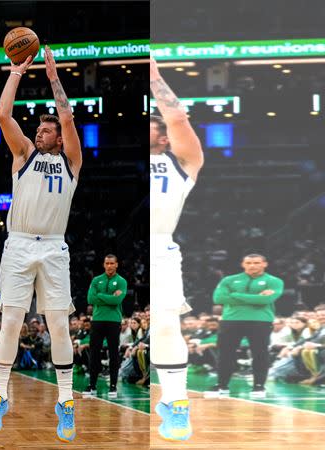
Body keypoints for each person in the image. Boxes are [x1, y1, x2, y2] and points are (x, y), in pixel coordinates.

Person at [0, 45, 82, 442]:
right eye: (38, 129)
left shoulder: (71, 159)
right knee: (10, 321)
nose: (39, 131)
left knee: (59, 325)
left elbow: (67, 116)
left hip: (54, 247)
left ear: (57, 137)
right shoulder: (23, 153)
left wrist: (54, 77)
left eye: (45, 129)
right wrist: (16, 73)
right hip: (19, 245)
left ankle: (66, 401)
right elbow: (2, 115)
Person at [149, 56, 204, 442]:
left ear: (163, 136)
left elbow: (179, 119)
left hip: (162, 247)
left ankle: (176, 403)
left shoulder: (181, 162)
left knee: (168, 324)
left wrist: (153, 76)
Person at [208, 254, 284, 398]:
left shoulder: (274, 281)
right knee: (225, 354)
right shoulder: (228, 280)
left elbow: (267, 299)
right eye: (248, 263)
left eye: (256, 262)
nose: (252, 265)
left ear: (264, 264)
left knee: (260, 354)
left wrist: (236, 295)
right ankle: (221, 385)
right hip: (231, 320)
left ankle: (259, 386)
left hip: (260, 321)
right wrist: (257, 298)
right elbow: (218, 298)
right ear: (243, 264)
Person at [84, 255, 128, 398]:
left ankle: (113, 386)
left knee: (113, 354)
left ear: (117, 265)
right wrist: (109, 297)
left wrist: (100, 296)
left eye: (112, 263)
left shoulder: (121, 281)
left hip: (114, 321)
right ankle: (92, 385)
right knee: (94, 354)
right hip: (97, 320)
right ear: (104, 264)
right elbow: (90, 299)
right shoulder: (96, 280)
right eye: (107, 263)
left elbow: (118, 300)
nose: (109, 266)